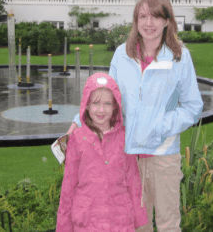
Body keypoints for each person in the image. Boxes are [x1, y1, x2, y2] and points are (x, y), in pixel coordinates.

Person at [66, 0, 204, 232]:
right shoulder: (123, 54)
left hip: (163, 156)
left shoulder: (179, 57)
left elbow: (193, 106)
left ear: (167, 21)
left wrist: (161, 125)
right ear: (135, 20)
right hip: (128, 155)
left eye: (155, 16)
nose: (148, 23)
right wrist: (80, 121)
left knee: (168, 225)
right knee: (137, 225)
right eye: (143, 16)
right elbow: (110, 97)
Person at [56, 72, 148, 232]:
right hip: (86, 222)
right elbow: (68, 186)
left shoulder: (124, 138)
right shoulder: (77, 139)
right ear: (86, 105)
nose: (101, 109)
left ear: (115, 107)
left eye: (107, 104)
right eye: (95, 103)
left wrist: (139, 216)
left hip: (120, 221)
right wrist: (63, 226)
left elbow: (133, 180)